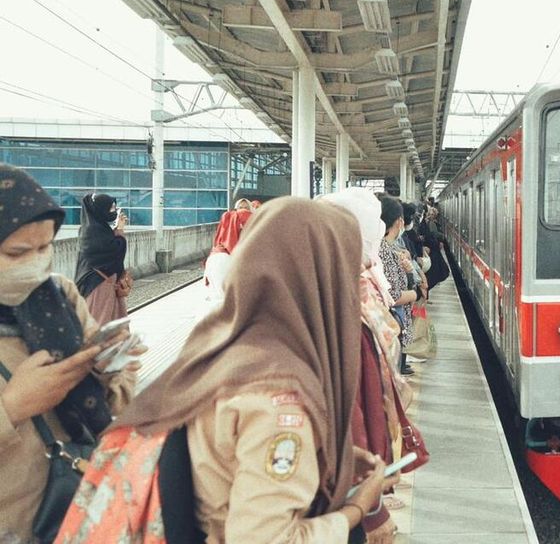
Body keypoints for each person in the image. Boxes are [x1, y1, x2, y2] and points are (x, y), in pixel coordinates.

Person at [100, 197, 395, 542]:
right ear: (323, 281)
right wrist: (356, 510)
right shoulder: (280, 399)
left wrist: (325, 457)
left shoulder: (220, 348)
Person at [0, 164, 141, 542]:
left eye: (45, 247)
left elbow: (118, 398)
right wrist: (12, 407)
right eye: (17, 252)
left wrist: (113, 367)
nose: (35, 262)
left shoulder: (59, 295)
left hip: (78, 505)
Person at [321, 188, 407, 543]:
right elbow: (348, 413)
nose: (372, 262)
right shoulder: (338, 318)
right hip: (333, 507)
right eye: (361, 244)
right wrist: (368, 510)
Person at [74, 193, 130, 326]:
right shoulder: (93, 232)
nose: (114, 212)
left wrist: (117, 230)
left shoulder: (99, 228)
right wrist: (120, 231)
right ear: (100, 210)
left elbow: (112, 249)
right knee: (100, 324)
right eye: (111, 208)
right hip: (98, 286)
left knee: (113, 325)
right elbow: (114, 251)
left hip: (107, 284)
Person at [378, 196, 418, 376]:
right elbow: (393, 296)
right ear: (399, 221)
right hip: (392, 322)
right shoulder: (384, 250)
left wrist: (408, 271)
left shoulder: (388, 248)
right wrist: (414, 295)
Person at [204, 199, 254, 297]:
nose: (243, 210)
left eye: (246, 208)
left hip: (213, 260)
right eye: (240, 208)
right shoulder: (248, 218)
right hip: (226, 261)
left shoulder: (227, 218)